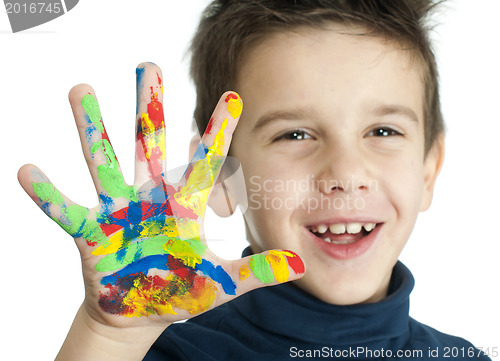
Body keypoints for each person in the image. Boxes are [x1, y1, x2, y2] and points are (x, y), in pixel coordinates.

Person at [17, 0, 491, 360]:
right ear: (221, 177)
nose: (346, 174)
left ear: (430, 168)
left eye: (383, 131)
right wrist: (110, 335)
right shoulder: (158, 347)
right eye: (296, 134)